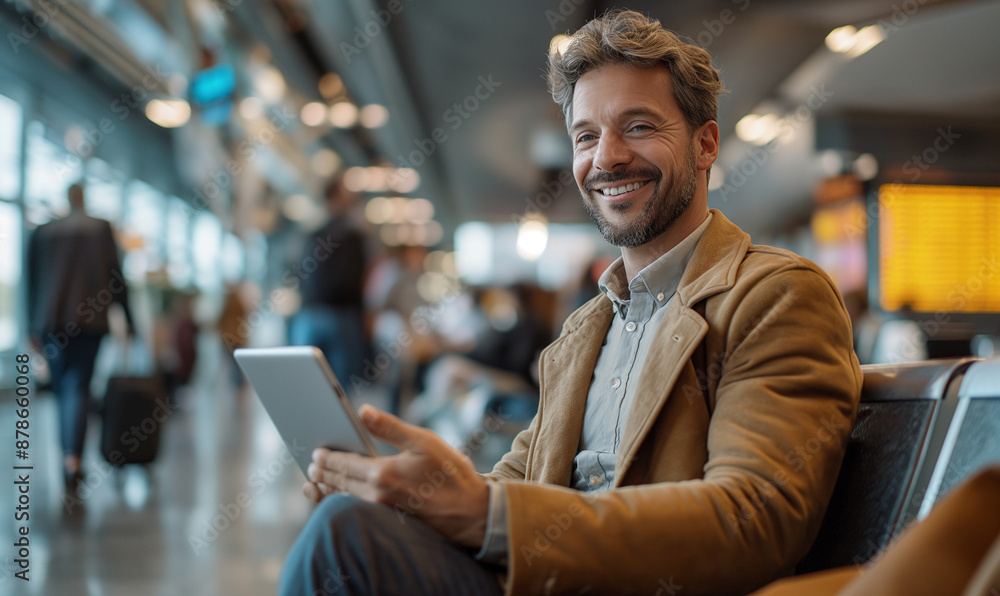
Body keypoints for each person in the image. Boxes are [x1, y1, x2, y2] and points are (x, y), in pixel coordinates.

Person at [279, 9, 862, 596]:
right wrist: (412, 496)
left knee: (344, 537)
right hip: (546, 580)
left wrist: (484, 513)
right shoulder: (588, 327)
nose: (606, 158)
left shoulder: (775, 295)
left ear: (705, 142)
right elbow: (518, 481)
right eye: (586, 137)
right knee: (360, 524)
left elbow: (754, 519)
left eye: (638, 126)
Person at [27, 183, 133, 493]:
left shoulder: (43, 232)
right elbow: (116, 278)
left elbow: (32, 282)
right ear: (83, 200)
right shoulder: (100, 230)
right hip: (89, 323)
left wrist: (31, 327)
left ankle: (68, 457)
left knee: (63, 389)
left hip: (52, 324)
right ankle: (72, 460)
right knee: (78, 387)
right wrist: (129, 320)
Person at [287, 174, 369, 385]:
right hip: (340, 317)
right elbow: (356, 279)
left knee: (307, 383)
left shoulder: (311, 234)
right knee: (340, 387)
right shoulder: (352, 235)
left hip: (311, 314)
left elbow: (297, 271)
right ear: (336, 196)